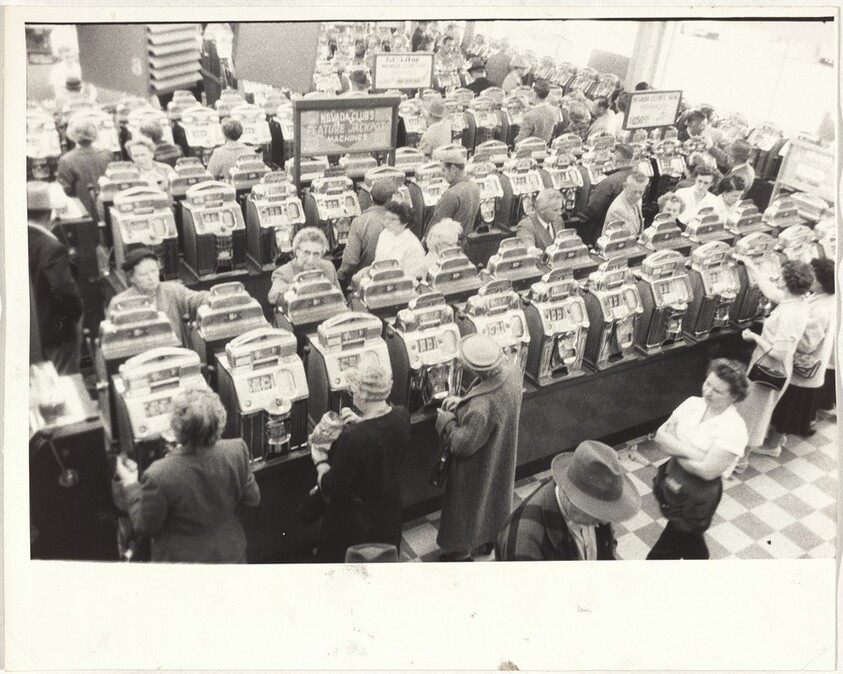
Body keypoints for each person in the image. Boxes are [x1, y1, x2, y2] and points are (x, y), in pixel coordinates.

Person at [115, 388, 261, 563]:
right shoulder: (237, 449)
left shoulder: (158, 474)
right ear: (220, 419)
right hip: (231, 556)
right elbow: (253, 499)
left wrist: (131, 485)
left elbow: (144, 527)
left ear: (176, 427)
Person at [647, 359, 750, 559]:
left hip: (698, 495)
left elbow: (707, 471)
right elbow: (660, 436)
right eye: (707, 383)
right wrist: (698, 455)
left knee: (668, 546)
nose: (708, 392)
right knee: (688, 538)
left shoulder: (734, 429)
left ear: (733, 397)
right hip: (673, 480)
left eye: (718, 391)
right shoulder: (693, 403)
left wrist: (674, 448)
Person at [434, 334, 523, 561]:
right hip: (500, 454)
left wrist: (446, 422)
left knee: (470, 507)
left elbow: (461, 444)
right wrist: (464, 401)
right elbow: (486, 390)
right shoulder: (513, 374)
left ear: (475, 369)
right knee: (493, 499)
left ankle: (461, 554)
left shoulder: (482, 406)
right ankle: (487, 540)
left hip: (475, 468)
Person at [311, 364, 410, 562]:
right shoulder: (402, 415)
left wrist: (320, 460)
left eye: (353, 391)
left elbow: (333, 487)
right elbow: (381, 434)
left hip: (355, 520)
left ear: (363, 395)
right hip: (388, 511)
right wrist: (361, 421)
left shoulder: (353, 437)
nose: (352, 395)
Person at [496, 440, 641, 561]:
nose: (603, 522)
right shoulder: (525, 542)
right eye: (598, 512)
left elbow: (608, 547)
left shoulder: (596, 508)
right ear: (574, 499)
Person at [731, 258, 813, 467]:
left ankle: (740, 461)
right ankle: (740, 455)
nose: (778, 277)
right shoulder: (796, 301)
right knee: (752, 411)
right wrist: (750, 265)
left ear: (788, 282)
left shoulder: (790, 313)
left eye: (782, 275)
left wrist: (754, 337)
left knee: (753, 415)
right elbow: (770, 292)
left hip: (770, 369)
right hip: (767, 366)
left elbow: (778, 351)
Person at [770, 259, 836, 438]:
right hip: (813, 368)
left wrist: (788, 332)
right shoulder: (825, 298)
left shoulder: (822, 309)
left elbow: (807, 344)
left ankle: (773, 444)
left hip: (804, 369)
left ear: (821, 284)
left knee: (788, 410)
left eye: (813, 277)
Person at [27, 182, 84, 375]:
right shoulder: (51, 248)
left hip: (33, 330)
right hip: (57, 327)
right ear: (49, 213)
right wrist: (76, 315)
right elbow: (63, 289)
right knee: (66, 378)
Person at [109, 247, 208, 346]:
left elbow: (198, 299)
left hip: (177, 355)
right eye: (144, 274)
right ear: (131, 278)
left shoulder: (172, 290)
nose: (151, 278)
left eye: (153, 271)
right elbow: (112, 340)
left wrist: (210, 301)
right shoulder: (119, 304)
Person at [338, 180, 396, 285]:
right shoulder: (399, 222)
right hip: (393, 278)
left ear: (371, 197)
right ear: (390, 200)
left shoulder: (359, 222)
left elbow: (351, 261)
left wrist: (340, 274)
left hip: (365, 280)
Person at [56, 117, 113, 222]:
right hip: (109, 208)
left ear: (72, 135)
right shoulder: (107, 154)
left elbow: (66, 190)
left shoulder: (66, 160)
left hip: (84, 212)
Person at [267, 227, 340, 305]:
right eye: (306, 253)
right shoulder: (283, 272)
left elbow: (341, 300)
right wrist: (296, 287)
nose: (310, 260)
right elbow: (272, 298)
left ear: (321, 255)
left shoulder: (328, 267)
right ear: (297, 252)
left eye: (316, 254)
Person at [580, 143, 635, 246]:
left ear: (616, 159)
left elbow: (593, 208)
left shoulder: (610, 181)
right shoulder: (637, 176)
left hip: (605, 229)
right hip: (629, 226)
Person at [425, 148, 481, 241]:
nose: (442, 175)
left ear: (453, 169)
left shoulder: (451, 194)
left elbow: (435, 227)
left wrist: (424, 243)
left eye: (443, 170)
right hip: (463, 244)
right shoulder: (475, 187)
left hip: (445, 245)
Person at [368, 198, 427, 280]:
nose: (386, 222)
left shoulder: (414, 246)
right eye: (386, 218)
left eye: (392, 219)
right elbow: (378, 262)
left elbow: (415, 278)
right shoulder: (384, 234)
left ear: (405, 222)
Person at [515, 188, 565, 255]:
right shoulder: (526, 225)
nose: (560, 213)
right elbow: (527, 242)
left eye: (561, 209)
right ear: (542, 210)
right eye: (555, 210)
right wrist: (532, 250)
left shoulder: (558, 220)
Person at [514, 79, 561, 144]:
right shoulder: (554, 111)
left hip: (528, 151)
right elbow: (541, 112)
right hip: (544, 148)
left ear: (535, 93)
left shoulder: (530, 116)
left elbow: (519, 141)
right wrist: (528, 106)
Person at [603, 170, 648, 237]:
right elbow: (625, 238)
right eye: (634, 192)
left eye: (641, 192)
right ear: (625, 187)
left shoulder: (637, 199)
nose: (638, 196)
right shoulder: (617, 210)